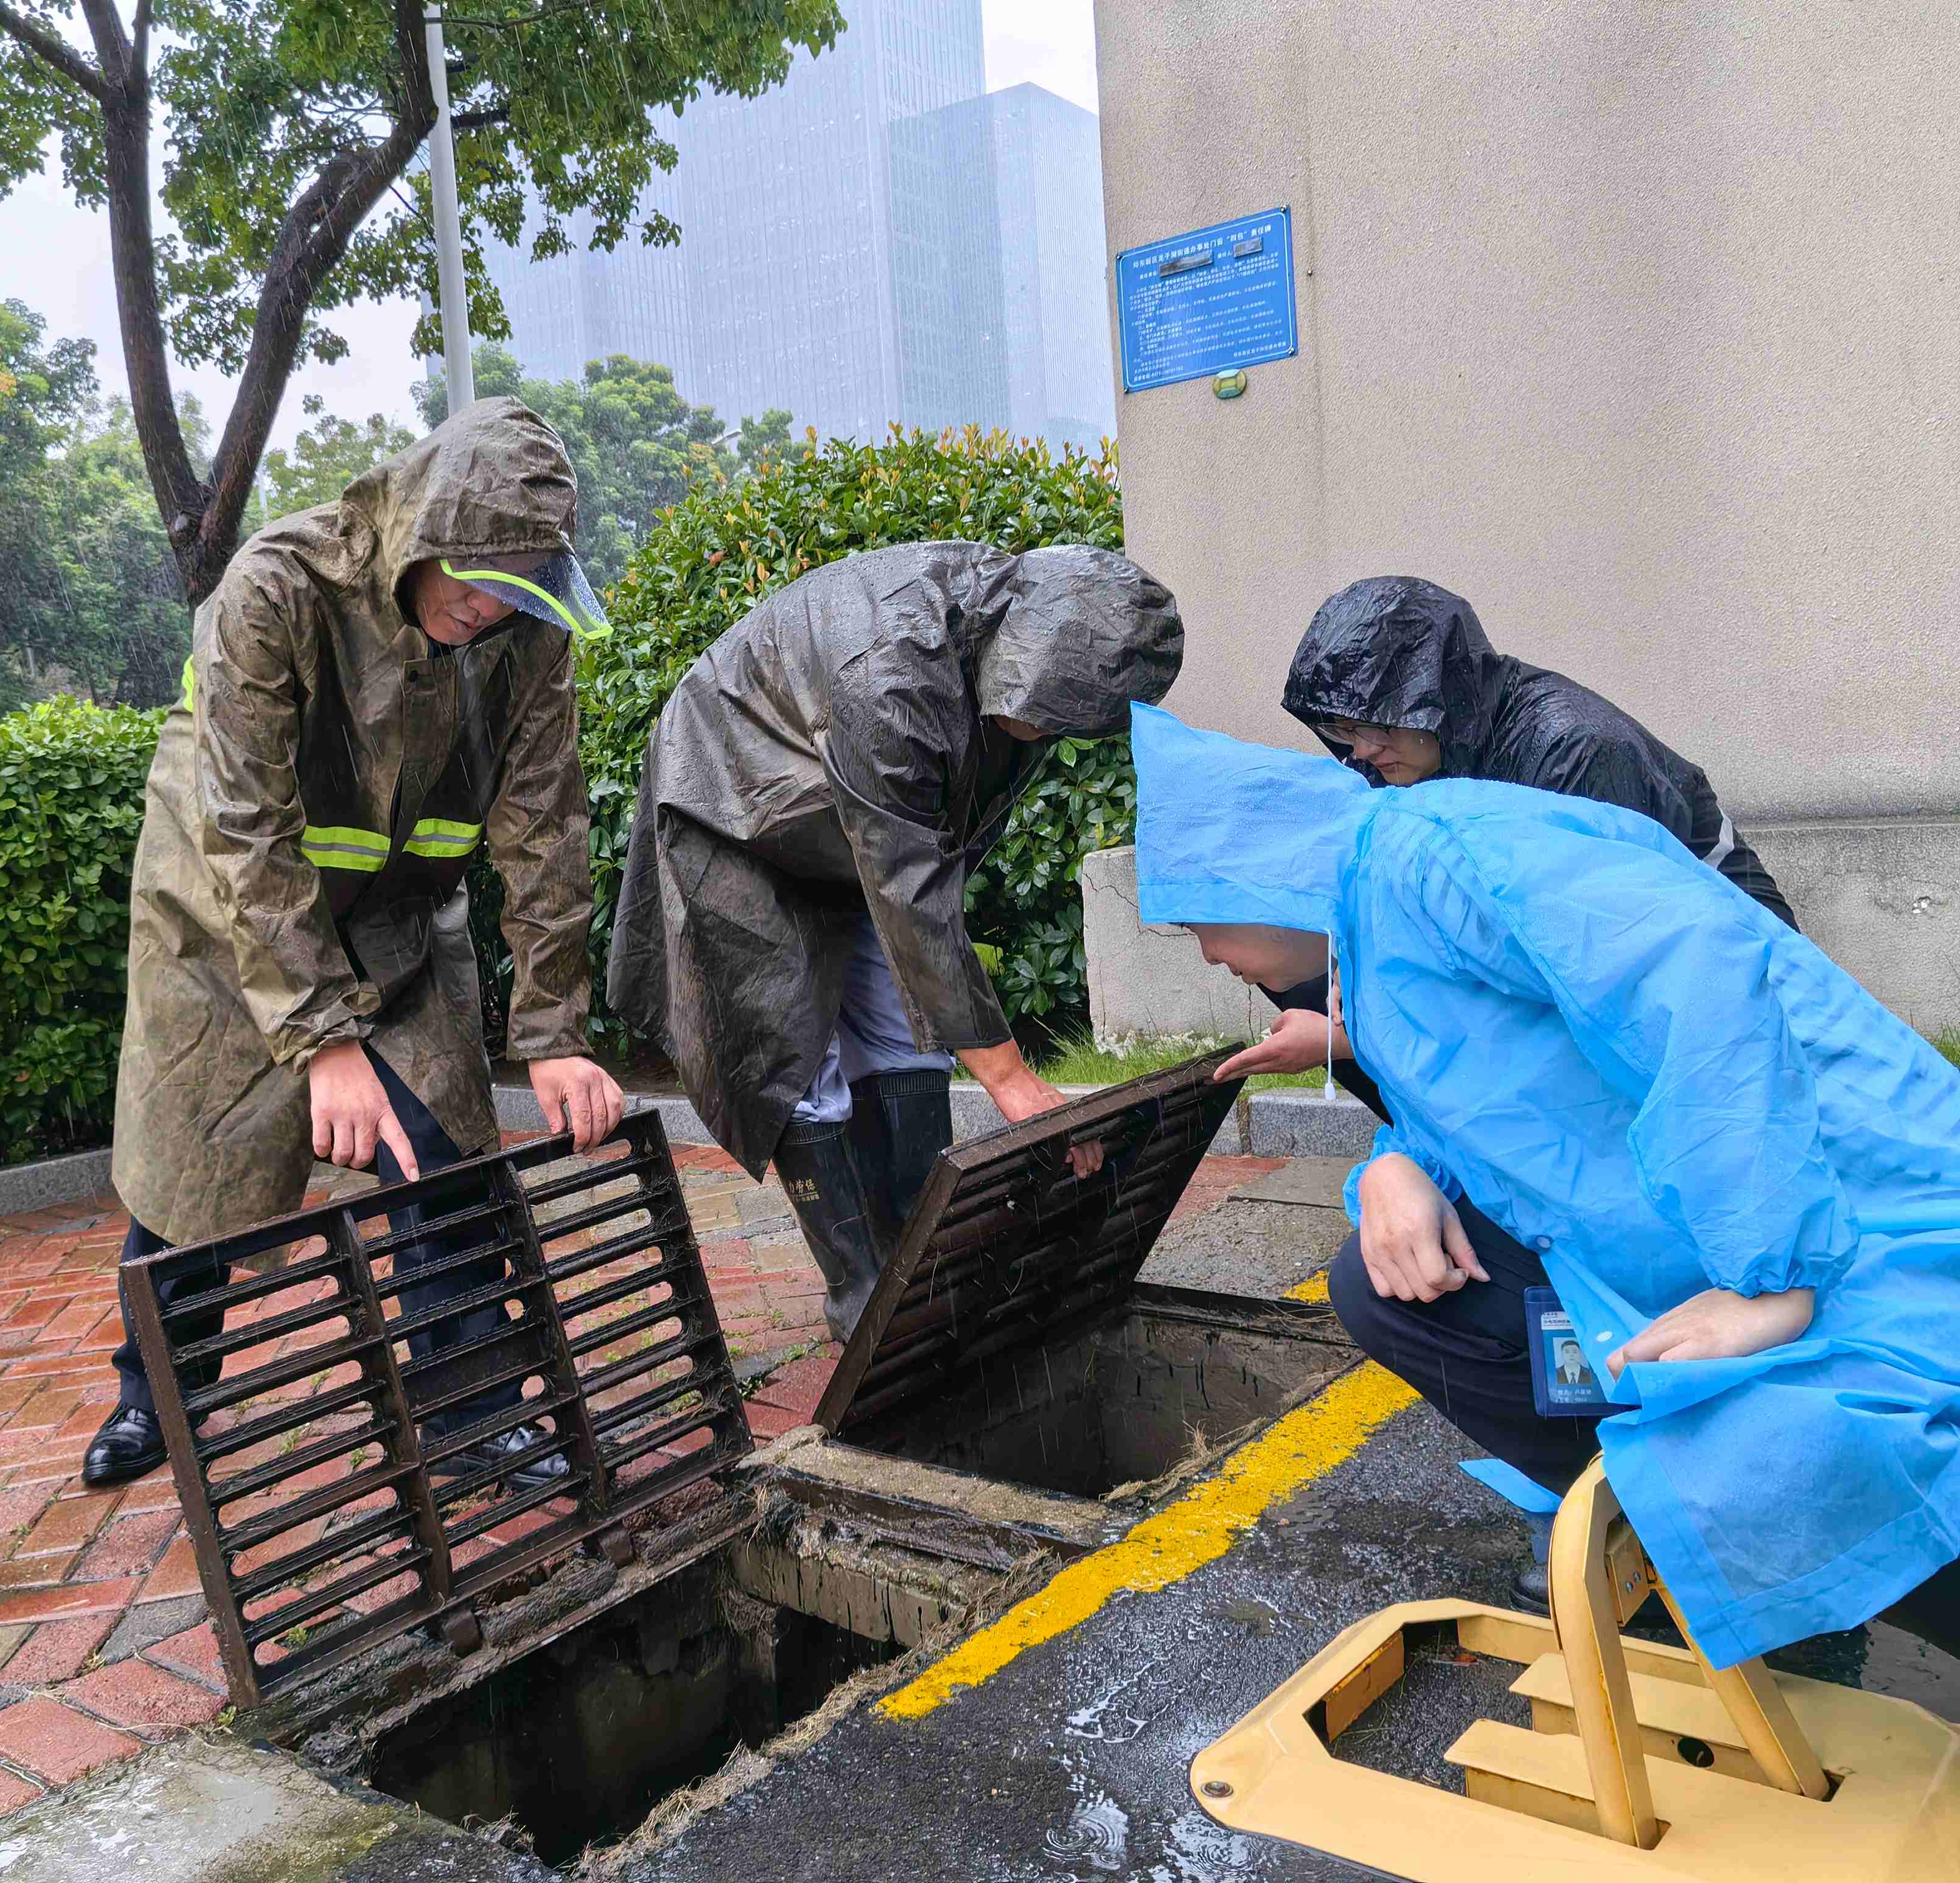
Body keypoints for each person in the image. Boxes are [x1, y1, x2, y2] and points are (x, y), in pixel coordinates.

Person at [1132, 704, 1960, 1667]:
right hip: (1702, 1213)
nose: (1207, 956)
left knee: (1821, 1437)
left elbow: (1693, 973)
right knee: (1380, 1281)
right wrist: (1396, 1170)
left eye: (1197, 920)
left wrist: (1771, 1280)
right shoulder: (1369, 923)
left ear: (1252, 873)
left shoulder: (1434, 855)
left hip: (1847, 1196)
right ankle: (1680, 1545)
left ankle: (1790, 1566)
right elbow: (1480, 1095)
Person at [85, 398, 625, 1490]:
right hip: (223, 911)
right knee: (199, 1160)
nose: (491, 610)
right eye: (476, 580)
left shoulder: (526, 646)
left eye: (520, 592)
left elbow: (543, 831)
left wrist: (556, 1032)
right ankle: (157, 1398)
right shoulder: (277, 589)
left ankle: (473, 1415)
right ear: (421, 534)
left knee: (443, 1150)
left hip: (393, 918)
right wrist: (323, 1043)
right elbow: (244, 825)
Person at [608, 542, 1183, 1341]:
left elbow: (930, 868)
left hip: (848, 829)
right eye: (1042, 709)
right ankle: (862, 1290)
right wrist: (1014, 1083)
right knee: (789, 1043)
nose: (1043, 730)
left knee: (905, 1031)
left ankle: (921, 1252)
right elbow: (910, 886)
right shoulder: (886, 669)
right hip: (735, 804)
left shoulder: (1023, 657)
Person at [1224, 574, 1796, 1093]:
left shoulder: (1574, 751)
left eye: (1377, 725)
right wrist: (1354, 960)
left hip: (1736, 976)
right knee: (1318, 974)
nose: (1362, 750)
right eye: (1343, 729)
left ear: (1437, 697)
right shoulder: (1408, 752)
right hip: (1607, 965)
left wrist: (1356, 1039)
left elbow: (1599, 962)